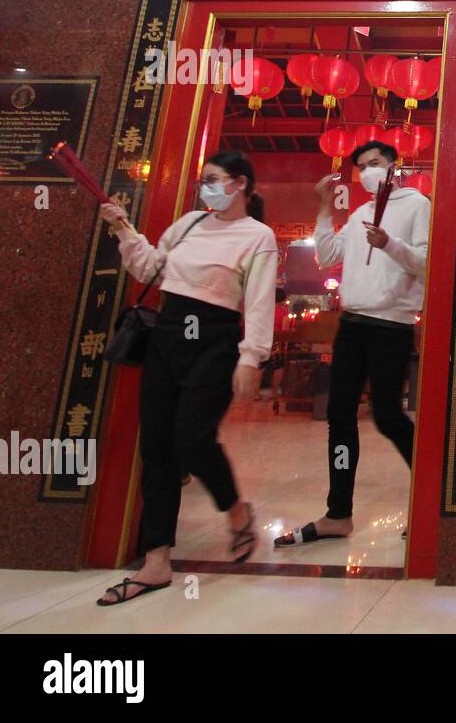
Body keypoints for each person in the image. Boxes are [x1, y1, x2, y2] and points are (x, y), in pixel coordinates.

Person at [97, 151, 277, 605]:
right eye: (203, 181)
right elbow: (150, 269)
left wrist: (250, 358)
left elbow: (258, 302)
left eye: (213, 180)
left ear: (239, 184)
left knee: (193, 439)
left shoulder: (259, 236)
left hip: (215, 342)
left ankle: (236, 511)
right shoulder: (190, 223)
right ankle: (157, 560)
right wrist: (122, 227)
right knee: (156, 446)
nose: (205, 188)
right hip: (167, 335)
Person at [276, 139, 431, 547]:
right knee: (340, 416)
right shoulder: (361, 212)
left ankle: (431, 499)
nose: (368, 172)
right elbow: (327, 256)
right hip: (352, 323)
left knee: (387, 417)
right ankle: (337, 514)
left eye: (375, 163)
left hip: (391, 325)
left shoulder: (418, 205)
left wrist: (389, 244)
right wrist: (325, 206)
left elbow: (427, 261)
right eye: (362, 166)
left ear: (394, 165)